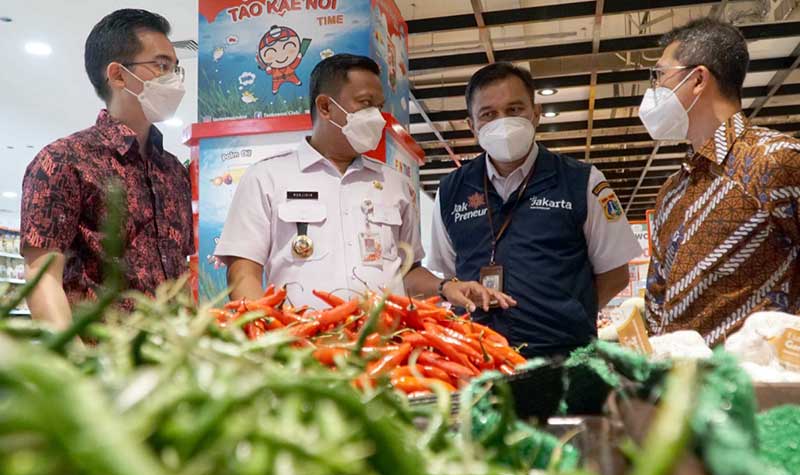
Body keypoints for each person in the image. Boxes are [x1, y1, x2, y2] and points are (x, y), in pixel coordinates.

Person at [215, 54, 511, 311]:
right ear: (326, 107)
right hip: (302, 351)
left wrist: (446, 286)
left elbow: (407, 273)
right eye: (365, 104)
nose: (377, 118)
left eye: (378, 106)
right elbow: (244, 273)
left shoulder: (396, 184)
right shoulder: (266, 178)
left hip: (384, 348)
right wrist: (266, 338)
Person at [428, 62, 641, 358]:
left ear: (535, 114)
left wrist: (569, 314)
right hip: (478, 357)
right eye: (488, 114)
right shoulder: (452, 190)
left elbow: (615, 273)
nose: (502, 122)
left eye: (514, 110)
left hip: (565, 357)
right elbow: (449, 272)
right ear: (472, 126)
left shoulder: (581, 181)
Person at [20, 9, 193, 329]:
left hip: (174, 360)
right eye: (162, 65)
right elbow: (42, 276)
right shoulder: (63, 161)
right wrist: (74, 366)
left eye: (175, 67)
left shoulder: (173, 172)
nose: (174, 78)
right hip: (102, 360)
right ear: (118, 75)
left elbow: (180, 270)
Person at [643, 18, 800, 346]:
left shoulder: (775, 160)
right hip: (680, 387)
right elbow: (657, 297)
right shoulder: (672, 191)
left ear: (697, 79)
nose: (653, 90)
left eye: (659, 76)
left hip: (758, 388)